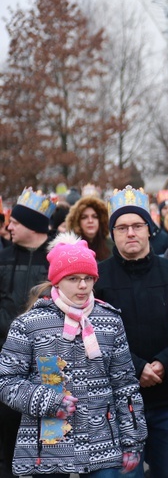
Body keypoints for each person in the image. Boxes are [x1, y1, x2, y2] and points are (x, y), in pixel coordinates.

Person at [0, 233, 147, 477]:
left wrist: (132, 439)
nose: (83, 285)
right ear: (57, 281)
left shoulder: (109, 321)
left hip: (102, 441)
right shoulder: (29, 324)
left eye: (89, 278)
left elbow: (125, 385)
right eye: (73, 278)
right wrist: (48, 400)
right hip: (48, 443)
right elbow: (6, 381)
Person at [94, 185, 168, 478]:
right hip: (119, 405)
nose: (130, 233)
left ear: (149, 230)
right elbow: (92, 336)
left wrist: (163, 364)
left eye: (137, 226)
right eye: (122, 227)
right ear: (112, 233)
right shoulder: (97, 278)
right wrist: (137, 367)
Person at [0, 188, 55, 478]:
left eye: (16, 222)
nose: (8, 225)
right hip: (7, 363)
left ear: (33, 226)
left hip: (49, 366)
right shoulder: (2, 257)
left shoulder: (56, 260)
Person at [65, 195, 113, 261]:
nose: (90, 221)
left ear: (101, 220)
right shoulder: (71, 248)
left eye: (95, 216)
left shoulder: (112, 246)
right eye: (84, 217)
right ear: (77, 222)